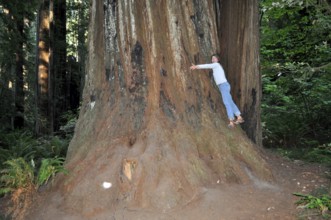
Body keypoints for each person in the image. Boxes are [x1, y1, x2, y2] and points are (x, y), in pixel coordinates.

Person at [190, 54, 244, 128]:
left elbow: (207, 65)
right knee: (230, 102)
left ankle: (231, 121)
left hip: (224, 86)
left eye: (214, 58)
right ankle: (239, 117)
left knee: (226, 102)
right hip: (224, 86)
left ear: (217, 60)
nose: (213, 59)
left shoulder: (216, 65)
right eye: (212, 58)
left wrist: (196, 66)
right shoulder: (216, 67)